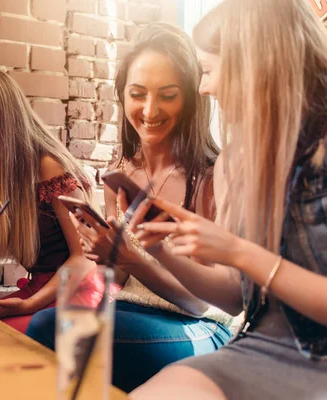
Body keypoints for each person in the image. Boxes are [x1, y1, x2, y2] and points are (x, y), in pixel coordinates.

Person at [127, 1, 327, 398]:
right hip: (258, 350)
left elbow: (241, 264)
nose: (203, 87)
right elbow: (235, 299)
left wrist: (238, 251)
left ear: (252, 68)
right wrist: (162, 249)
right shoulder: (237, 162)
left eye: (208, 71)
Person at [26, 23, 232, 393]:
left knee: (51, 330)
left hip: (200, 326)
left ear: (190, 96)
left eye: (168, 95)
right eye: (138, 93)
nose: (150, 109)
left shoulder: (211, 176)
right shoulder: (120, 174)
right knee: (46, 322)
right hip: (131, 311)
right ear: (123, 95)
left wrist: (130, 257)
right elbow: (117, 281)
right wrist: (104, 260)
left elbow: (199, 302)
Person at [0, 68, 98, 333]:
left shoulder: (49, 166)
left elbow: (84, 260)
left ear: (9, 120)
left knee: (7, 339)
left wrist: (31, 303)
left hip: (78, 289)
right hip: (38, 291)